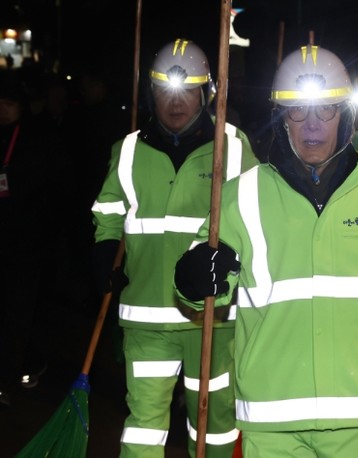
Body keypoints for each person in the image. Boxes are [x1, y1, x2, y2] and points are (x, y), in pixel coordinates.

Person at [173, 44, 358, 458]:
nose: (312, 125)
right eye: (298, 111)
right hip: (272, 421)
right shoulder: (239, 197)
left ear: (344, 115)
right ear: (282, 117)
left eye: (326, 110)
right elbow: (204, 289)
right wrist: (192, 278)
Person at [91, 38, 258, 457]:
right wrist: (104, 251)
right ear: (152, 92)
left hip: (213, 318)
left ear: (206, 93)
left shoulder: (234, 147)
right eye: (166, 91)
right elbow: (109, 211)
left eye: (187, 91)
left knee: (215, 425)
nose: (176, 102)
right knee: (144, 427)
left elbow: (257, 218)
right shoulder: (128, 149)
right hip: (146, 315)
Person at [0, 69, 61, 407]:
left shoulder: (34, 138)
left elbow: (41, 187)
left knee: (20, 312)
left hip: (25, 243)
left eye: (9, 103)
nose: (3, 110)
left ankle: (9, 379)